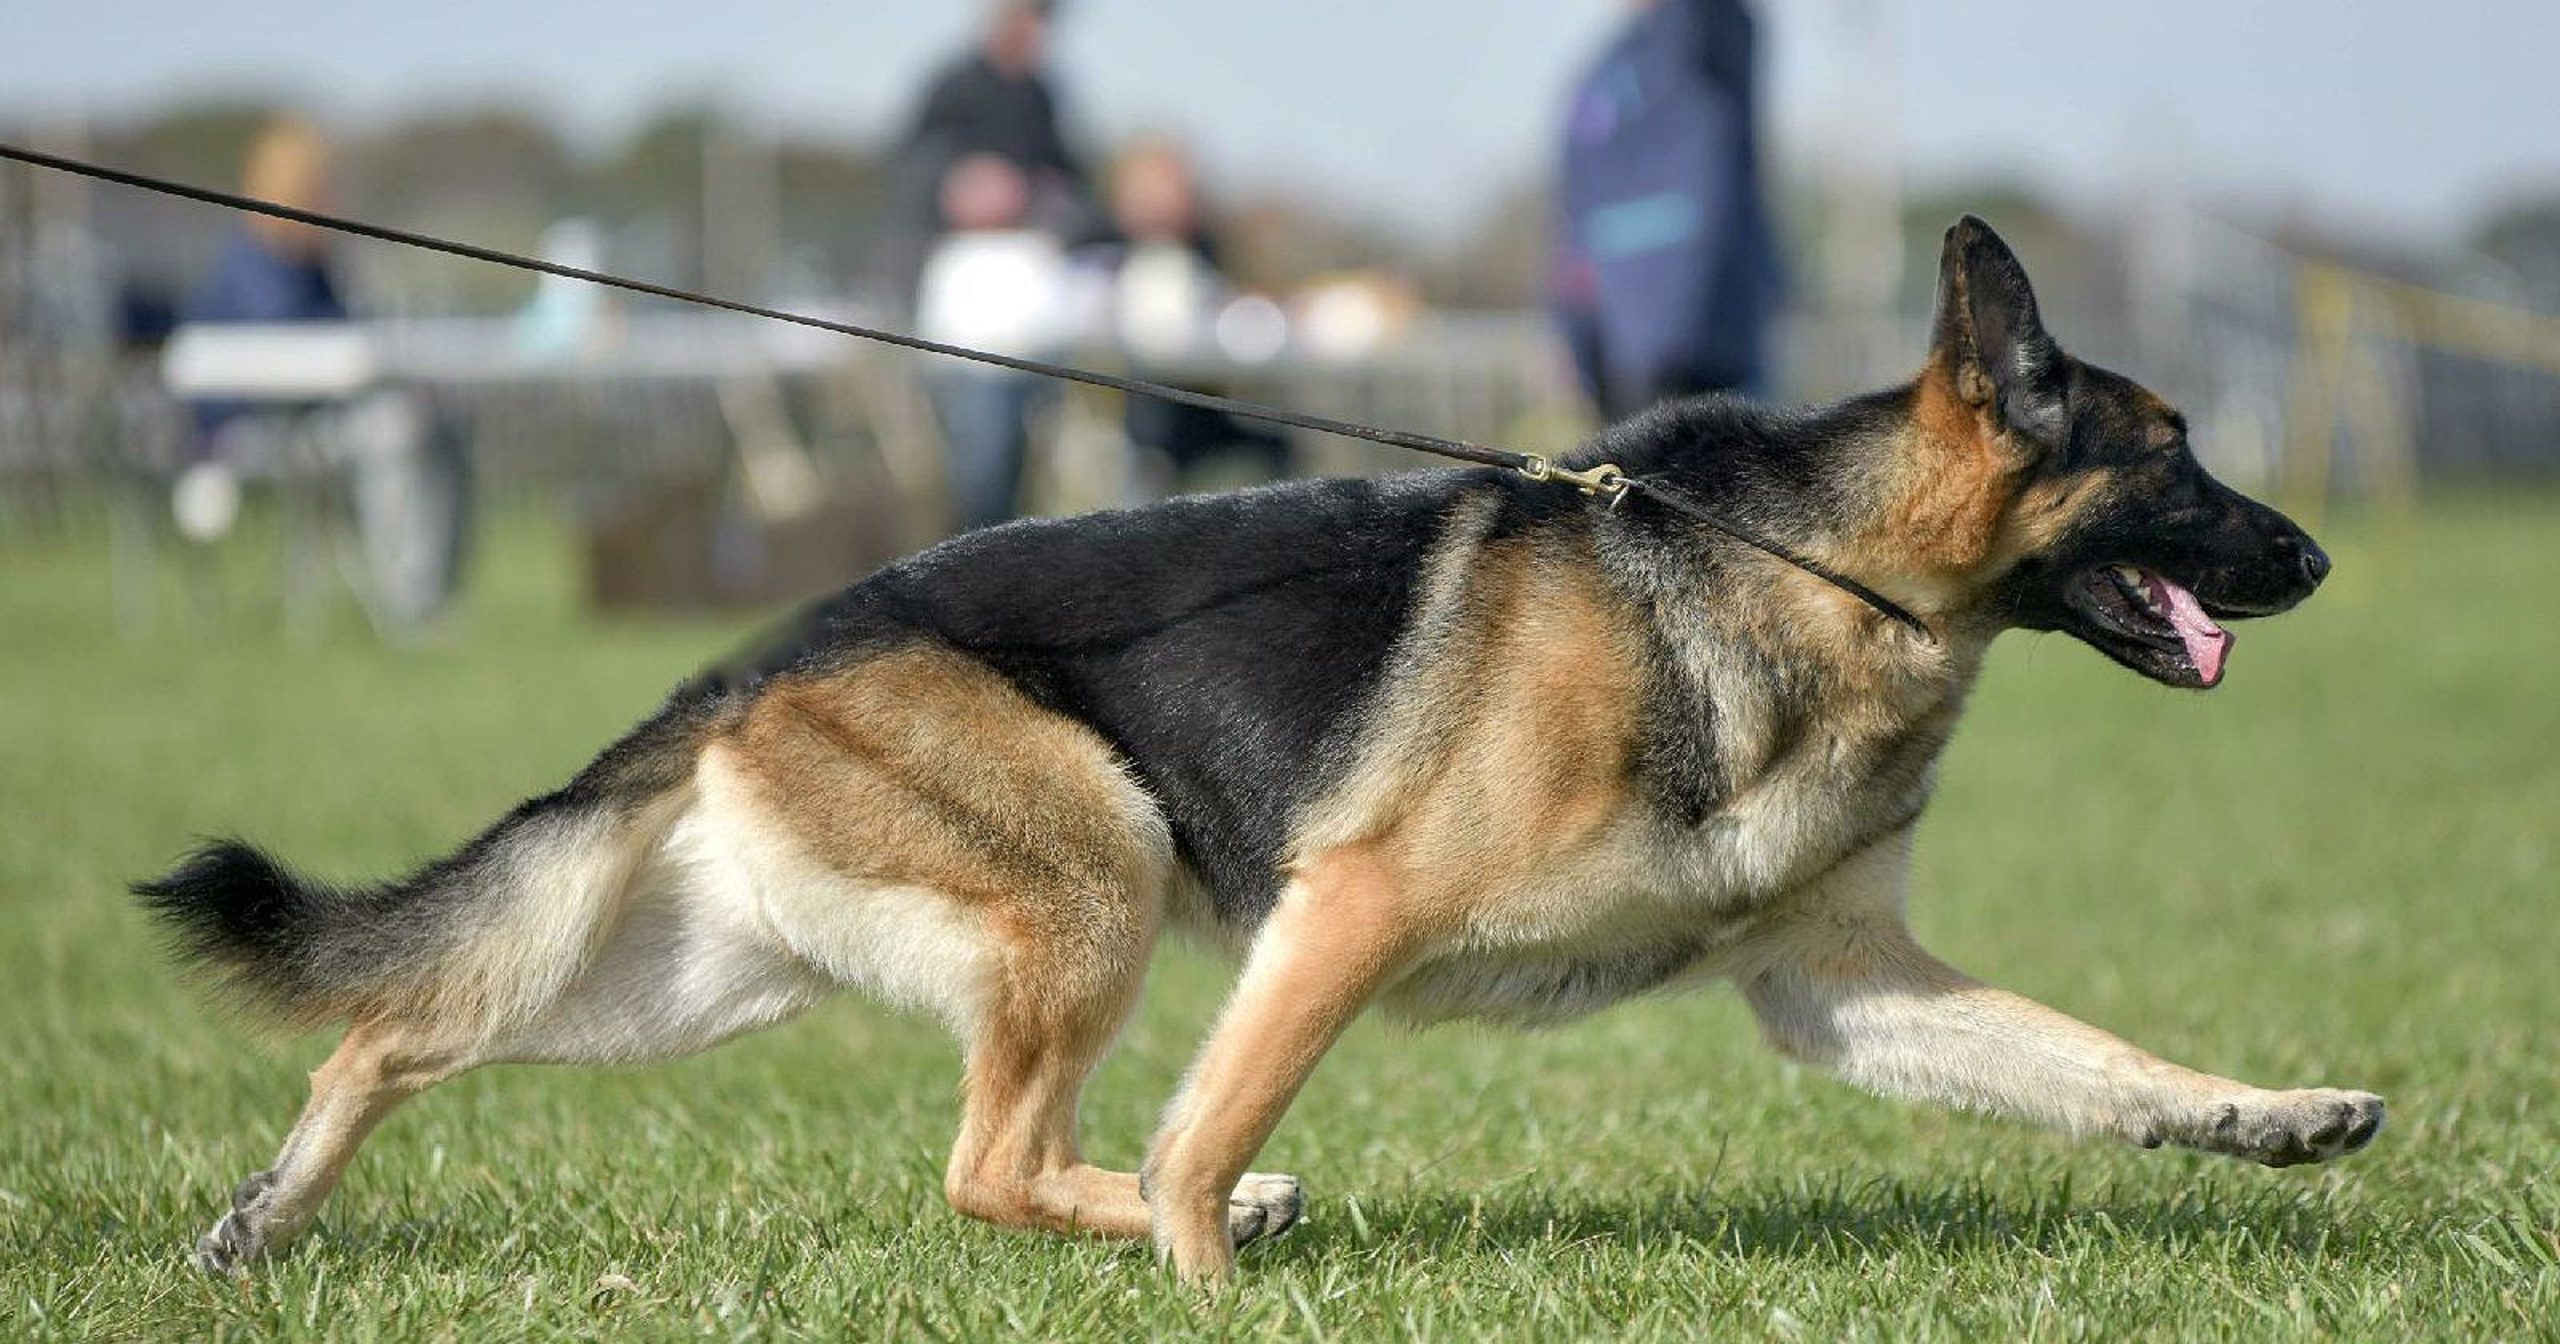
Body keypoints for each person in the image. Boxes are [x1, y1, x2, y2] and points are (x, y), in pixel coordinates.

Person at [177, 117, 470, 631]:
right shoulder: (254, 263)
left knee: (443, 422)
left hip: (318, 418)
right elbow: (297, 351)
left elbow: (350, 339)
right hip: (252, 432)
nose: (332, 198)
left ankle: (438, 593)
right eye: (322, 185)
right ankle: (409, 606)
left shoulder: (316, 263)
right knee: (395, 429)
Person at [885, 0, 1099, 531]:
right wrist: (956, 186)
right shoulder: (950, 88)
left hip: (1035, 294)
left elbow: (1074, 184)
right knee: (981, 452)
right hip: (967, 297)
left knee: (1039, 455)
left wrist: (1045, 199)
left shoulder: (1043, 96)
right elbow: (908, 176)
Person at [1549, 0, 1783, 420]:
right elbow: (1574, 218)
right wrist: (1571, 332)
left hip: (1712, 351)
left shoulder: (1706, 30)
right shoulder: (1597, 75)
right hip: (1621, 357)